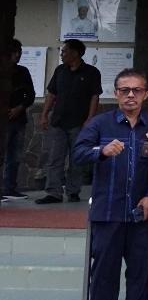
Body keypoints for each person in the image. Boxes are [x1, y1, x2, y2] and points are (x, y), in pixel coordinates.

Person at [71, 68, 148, 300]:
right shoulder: (100, 124)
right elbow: (77, 154)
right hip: (107, 213)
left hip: (141, 214)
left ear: (146, 94)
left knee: (140, 273)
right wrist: (101, 151)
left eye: (137, 90)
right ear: (116, 93)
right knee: (105, 274)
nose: (131, 95)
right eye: (125, 90)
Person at [37, 38, 101, 204]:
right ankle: (53, 192)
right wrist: (44, 114)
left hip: (79, 123)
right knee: (55, 158)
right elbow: (52, 94)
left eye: (64, 51)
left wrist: (90, 119)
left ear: (75, 53)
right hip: (58, 121)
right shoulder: (60, 70)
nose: (62, 54)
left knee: (77, 159)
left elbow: (95, 96)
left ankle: (73, 191)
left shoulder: (91, 72)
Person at [4, 39, 35, 200]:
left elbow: (30, 94)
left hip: (18, 118)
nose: (18, 56)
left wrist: (19, 108)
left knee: (14, 156)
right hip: (4, 119)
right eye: (15, 52)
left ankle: (9, 188)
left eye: (20, 53)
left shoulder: (23, 72)